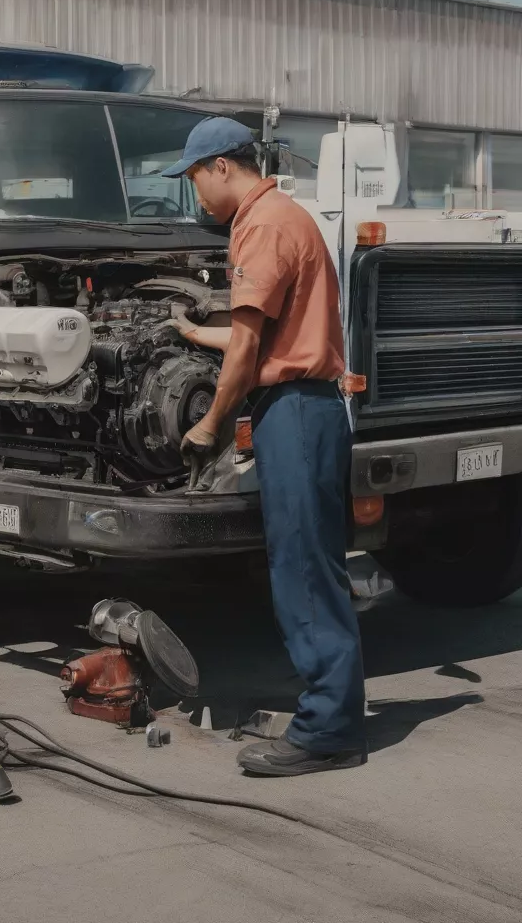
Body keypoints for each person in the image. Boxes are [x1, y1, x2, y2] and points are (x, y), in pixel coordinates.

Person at [162, 117, 366, 777]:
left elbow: (251, 350)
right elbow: (259, 336)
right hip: (308, 407)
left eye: (194, 180)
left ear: (221, 166)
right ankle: (333, 714)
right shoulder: (286, 214)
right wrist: (194, 334)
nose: (196, 197)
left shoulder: (262, 223)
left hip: (296, 413)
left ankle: (327, 731)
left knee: (304, 572)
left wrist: (209, 425)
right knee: (313, 565)